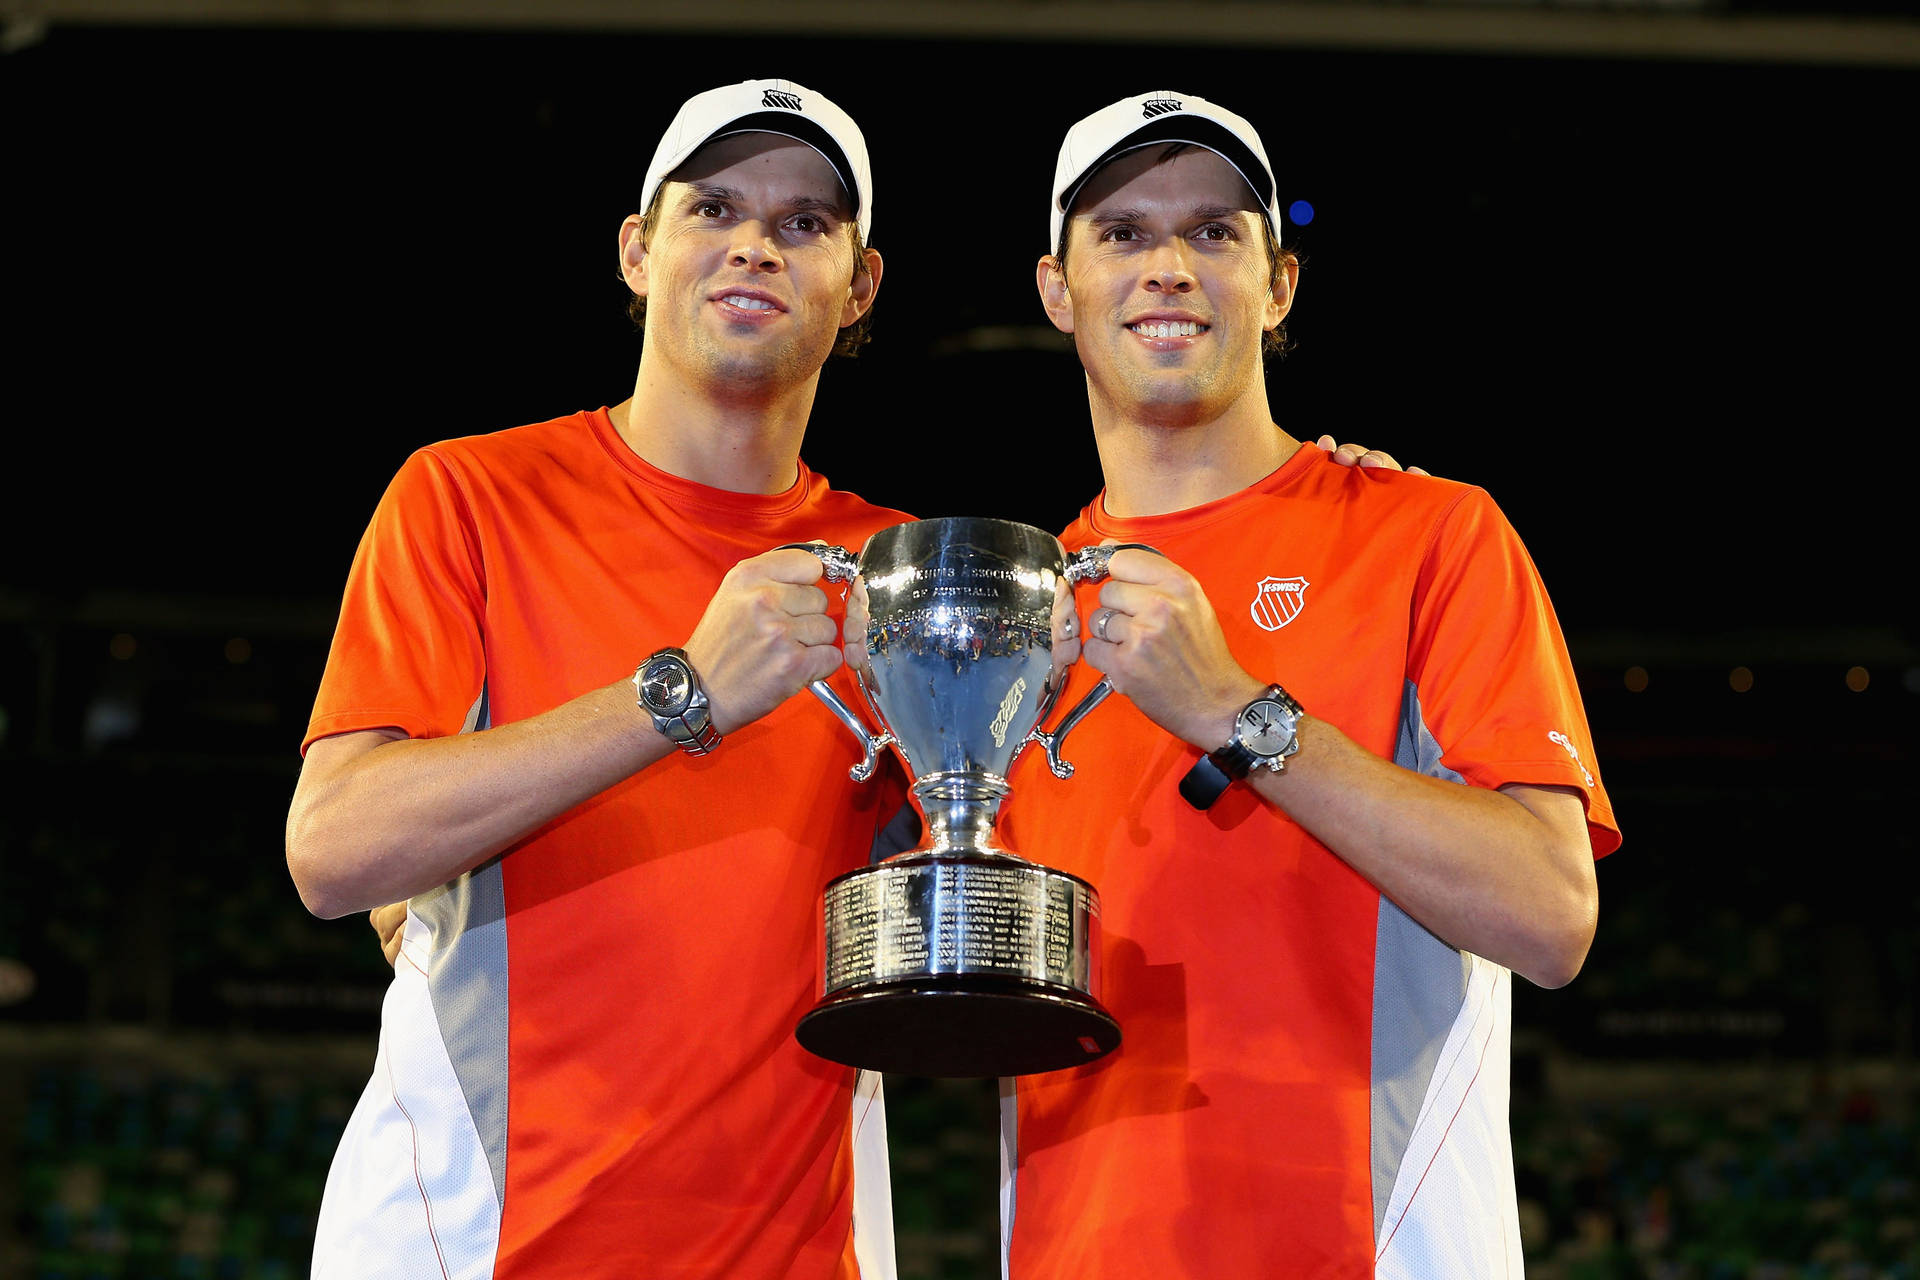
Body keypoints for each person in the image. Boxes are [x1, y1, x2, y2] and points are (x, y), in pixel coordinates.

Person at [285, 79, 908, 1279]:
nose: (753, 244)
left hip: (801, 1251)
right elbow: (333, 850)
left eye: (802, 222)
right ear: (639, 249)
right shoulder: (468, 497)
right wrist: (678, 695)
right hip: (469, 1247)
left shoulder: (901, 569)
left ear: (860, 283)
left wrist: (1331, 485)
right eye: (714, 206)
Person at [995, 91, 1622, 1278]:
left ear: (1279, 285)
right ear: (1055, 289)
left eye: (1215, 232)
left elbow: (1550, 913)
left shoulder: (1431, 534)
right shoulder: (1013, 622)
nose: (1169, 266)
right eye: (1123, 234)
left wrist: (1243, 715)